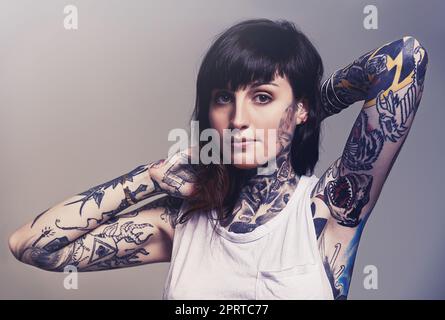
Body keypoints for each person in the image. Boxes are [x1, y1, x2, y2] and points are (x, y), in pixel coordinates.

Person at [8, 18, 428, 300]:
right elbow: (31, 247)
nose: (239, 119)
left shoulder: (328, 211)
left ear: (298, 108)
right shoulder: (182, 219)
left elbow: (404, 58)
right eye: (224, 98)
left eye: (262, 97)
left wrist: (309, 110)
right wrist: (149, 178)